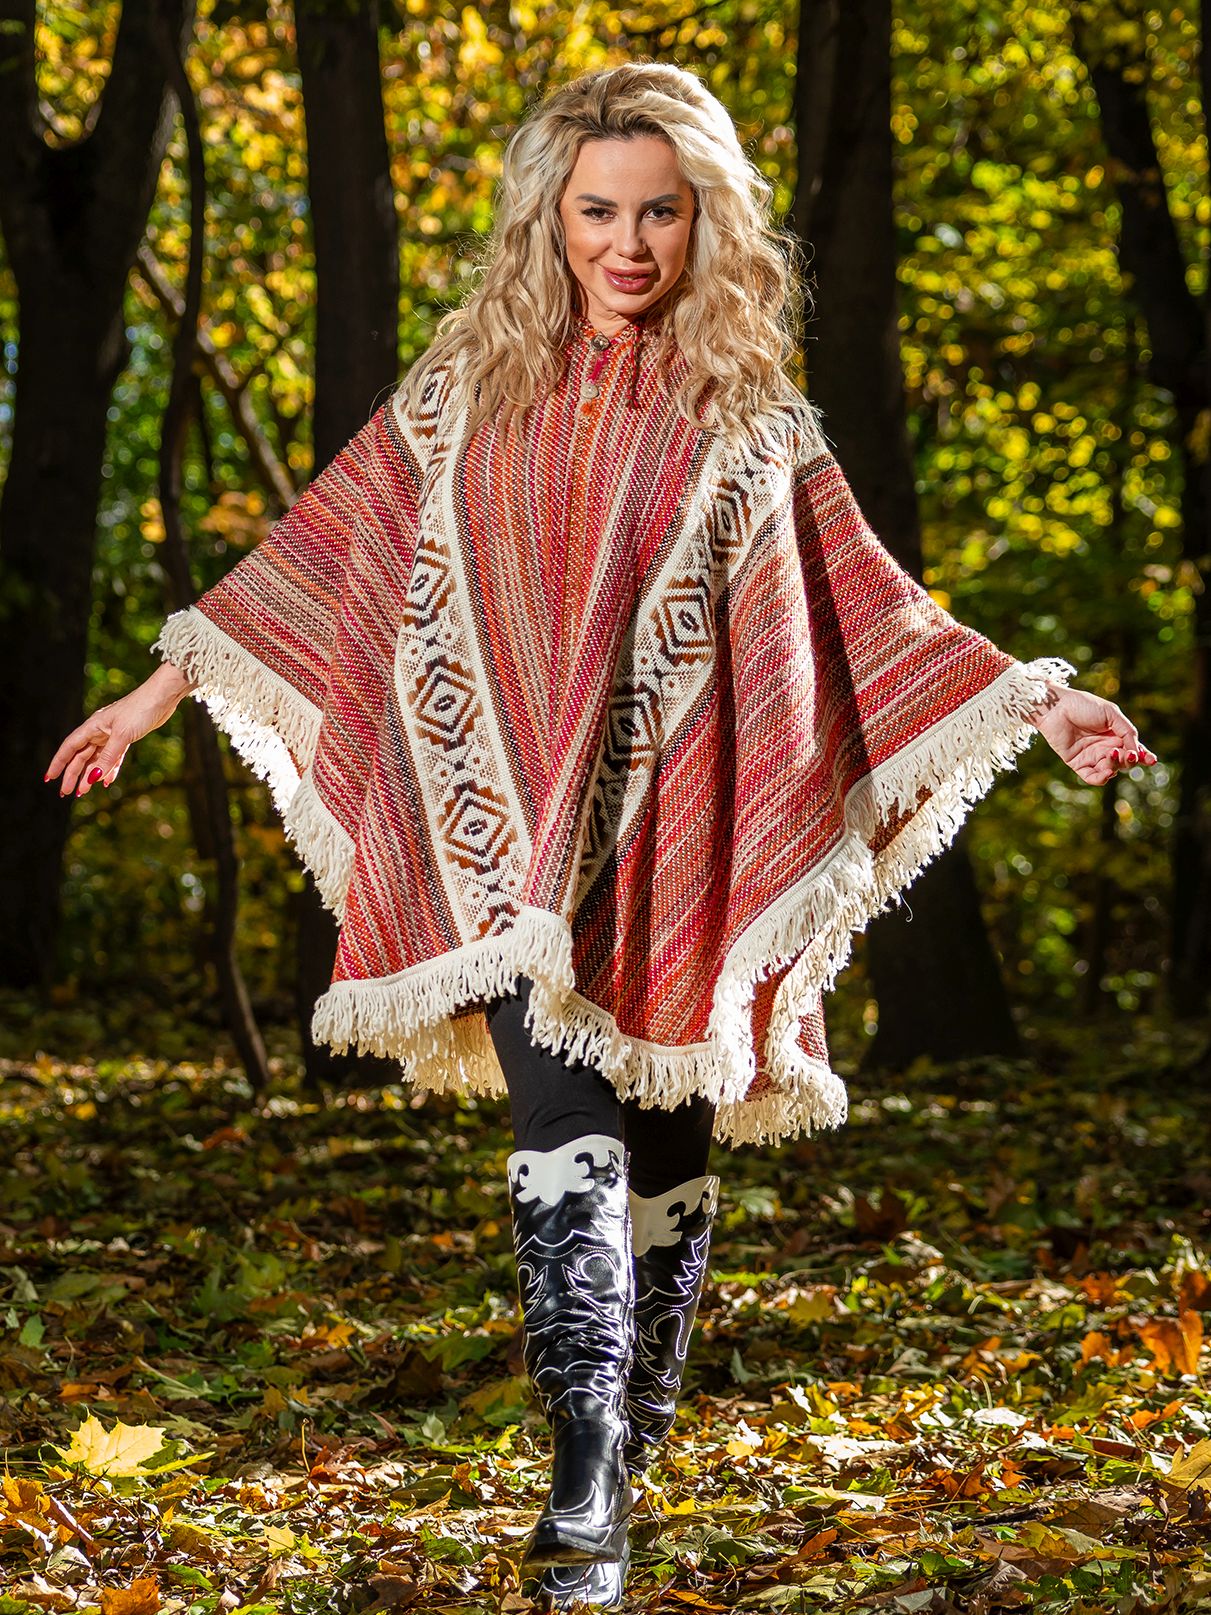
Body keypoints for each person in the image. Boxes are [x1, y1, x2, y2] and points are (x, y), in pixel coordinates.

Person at [46, 61, 1154, 1609]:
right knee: (561, 1120)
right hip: (506, 849)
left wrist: (1042, 701)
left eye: (658, 213)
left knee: (668, 1150)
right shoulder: (462, 393)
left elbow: (872, 605)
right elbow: (321, 545)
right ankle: (579, 1472)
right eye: (597, 214)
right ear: (549, 221)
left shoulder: (751, 419)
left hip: (682, 834)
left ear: (705, 224)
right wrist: (158, 690)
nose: (626, 245)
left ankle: (625, 1462)